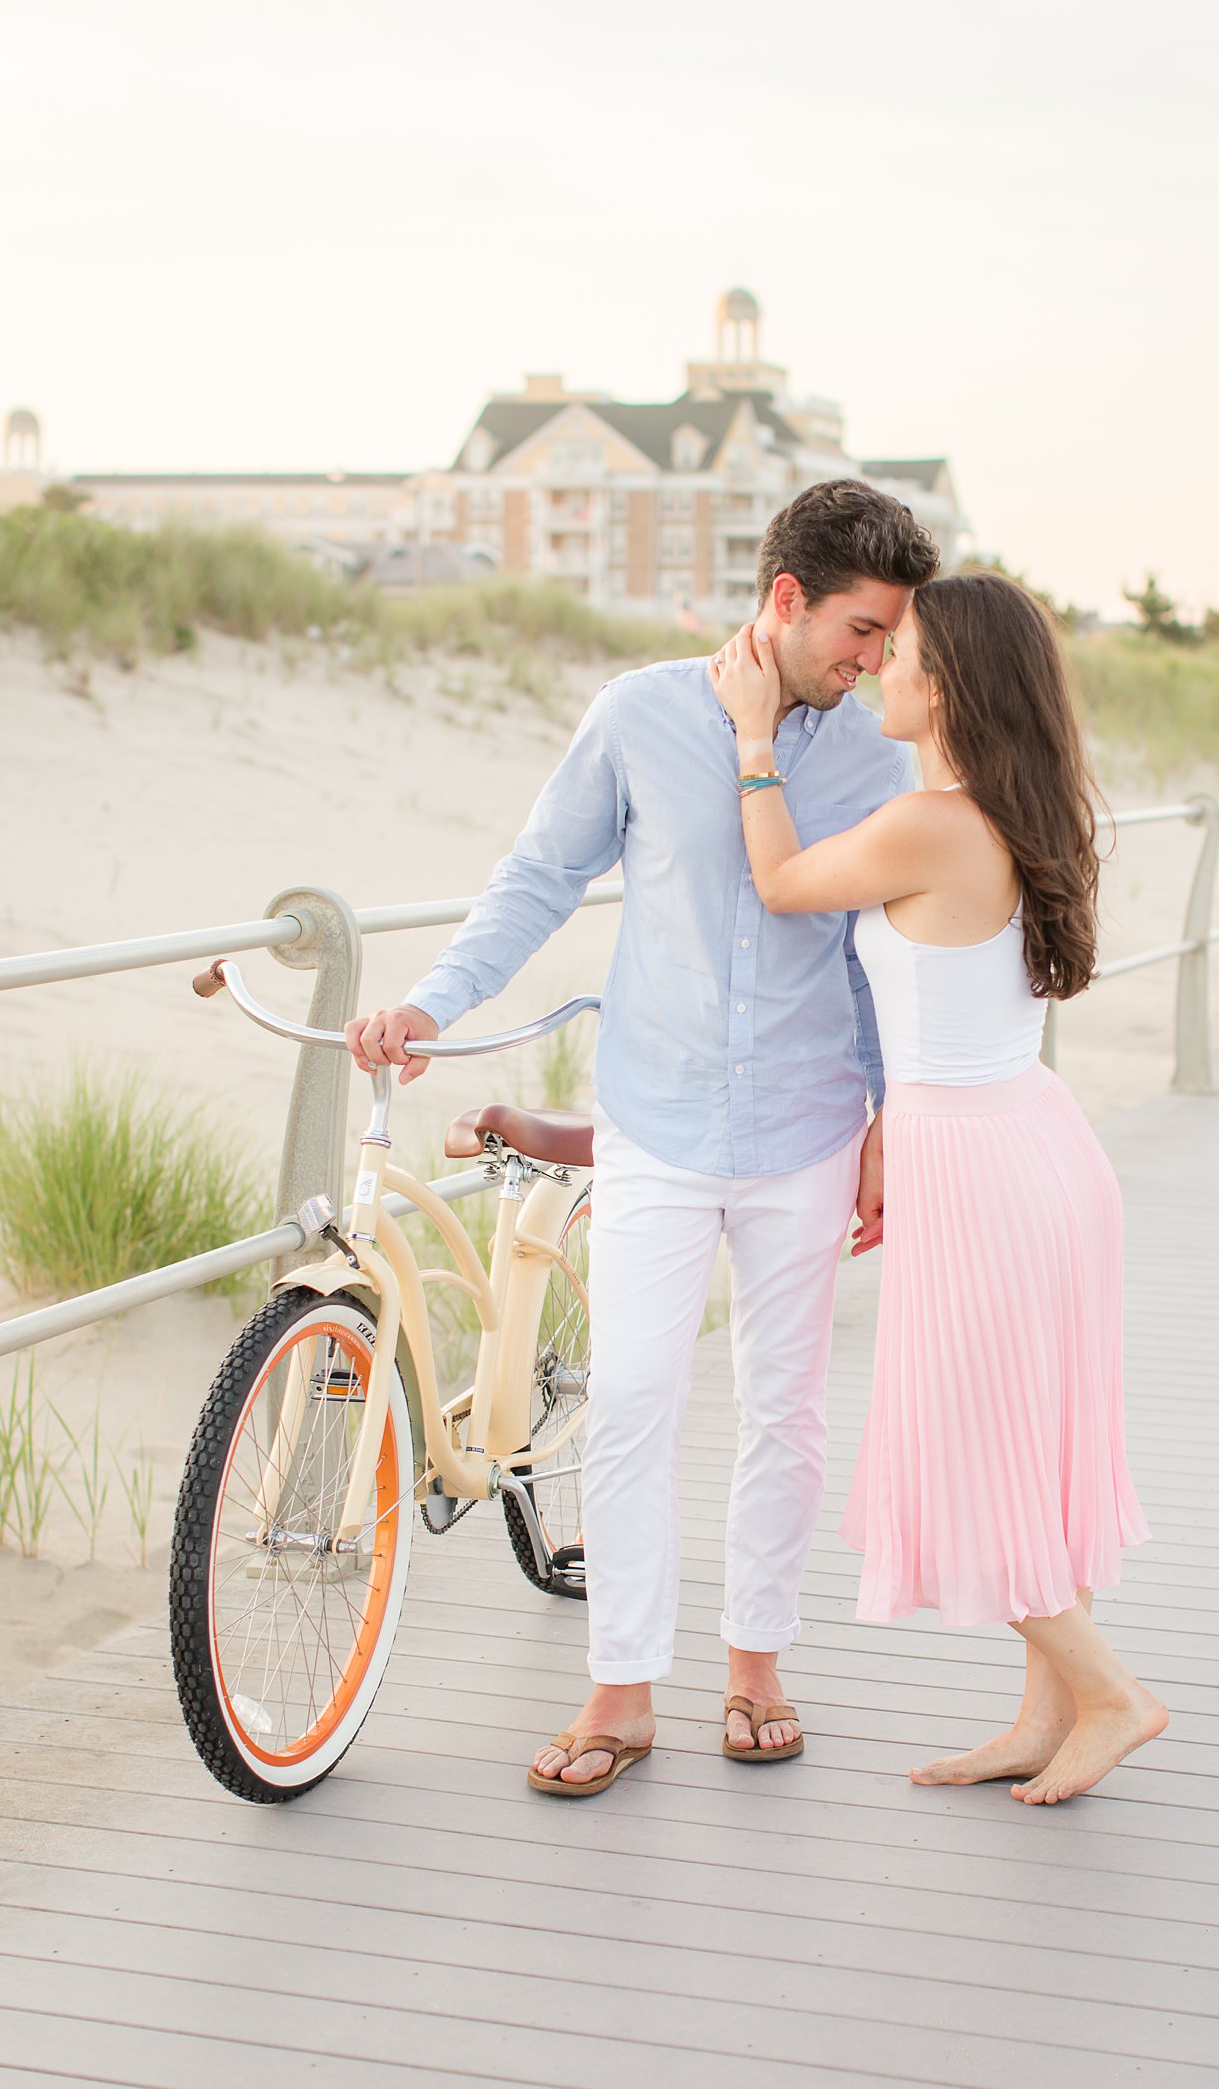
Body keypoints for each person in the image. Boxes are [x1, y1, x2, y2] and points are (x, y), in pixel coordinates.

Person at [346, 480, 939, 1794]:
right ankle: (621, 1687)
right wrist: (432, 1004)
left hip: (807, 1126)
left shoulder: (871, 757)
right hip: (659, 1122)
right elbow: (537, 877)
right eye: (861, 628)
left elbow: (878, 952)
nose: (874, 659)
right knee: (630, 1403)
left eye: (889, 637)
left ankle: (756, 1661)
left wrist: (892, 1119)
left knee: (784, 1410)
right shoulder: (636, 715)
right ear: (786, 601)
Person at [709, 571, 1167, 1804]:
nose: (875, 669)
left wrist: (755, 740)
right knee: (1025, 1432)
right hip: (1025, 1143)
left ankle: (1112, 1693)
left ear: (949, 681)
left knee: (971, 1439)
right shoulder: (1015, 808)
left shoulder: (934, 823)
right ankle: (1047, 1714)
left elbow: (780, 883)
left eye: (897, 650)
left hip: (978, 1163)